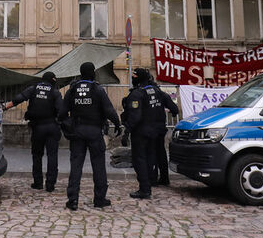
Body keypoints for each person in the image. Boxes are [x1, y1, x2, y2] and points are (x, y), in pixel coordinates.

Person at [58, 62, 122, 211]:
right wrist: (117, 123)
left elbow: (62, 113)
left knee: (76, 166)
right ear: (92, 72)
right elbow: (109, 110)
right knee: (99, 166)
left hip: (77, 132)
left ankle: (73, 200)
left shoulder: (72, 89)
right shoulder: (97, 89)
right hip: (94, 132)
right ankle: (99, 199)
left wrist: (68, 124)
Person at [122, 68, 178, 198]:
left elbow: (135, 116)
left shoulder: (137, 94)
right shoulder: (158, 92)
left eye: (134, 76)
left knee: (140, 159)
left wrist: (127, 130)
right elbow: (174, 108)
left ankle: (145, 188)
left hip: (142, 132)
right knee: (154, 157)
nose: (132, 78)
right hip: (156, 131)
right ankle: (154, 180)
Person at [3, 72, 63, 192]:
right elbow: (61, 111)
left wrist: (4, 107)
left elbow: (18, 99)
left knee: (37, 155)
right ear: (52, 80)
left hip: (37, 127)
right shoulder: (55, 92)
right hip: (52, 127)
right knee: (52, 156)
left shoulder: (33, 88)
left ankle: (38, 182)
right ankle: (50, 185)